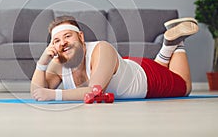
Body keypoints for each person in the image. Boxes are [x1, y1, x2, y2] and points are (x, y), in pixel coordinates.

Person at [30, 15, 199, 101]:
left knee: (185, 87)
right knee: (159, 68)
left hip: (149, 79)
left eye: (68, 36)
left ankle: (175, 42)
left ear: (81, 37)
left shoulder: (102, 49)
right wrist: (42, 62)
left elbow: (94, 91)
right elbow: (37, 92)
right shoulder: (59, 61)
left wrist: (54, 95)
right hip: (126, 67)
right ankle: (168, 45)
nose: (63, 43)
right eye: (57, 40)